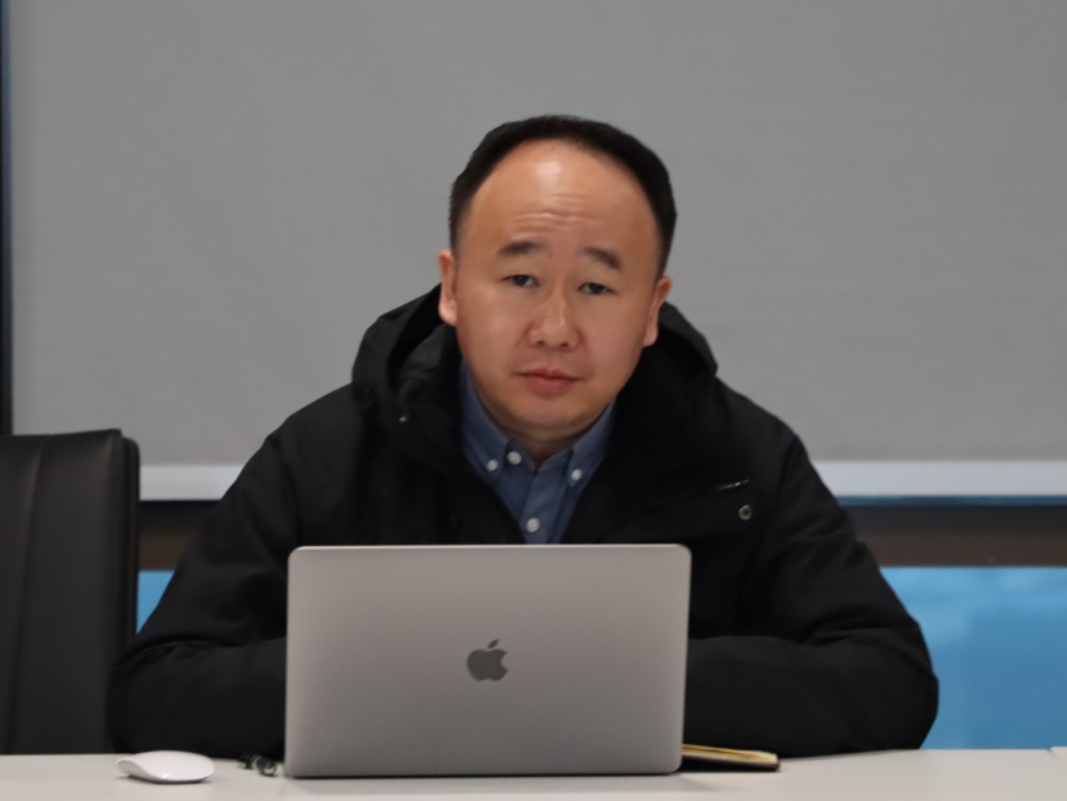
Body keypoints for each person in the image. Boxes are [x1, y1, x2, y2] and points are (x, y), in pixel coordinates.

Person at [109, 115, 938, 759]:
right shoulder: (328, 450)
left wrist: (616, 679)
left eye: (596, 287)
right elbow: (156, 691)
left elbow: (890, 679)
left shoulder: (737, 456)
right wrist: (413, 672)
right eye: (519, 277)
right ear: (451, 288)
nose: (554, 327)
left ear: (651, 309)